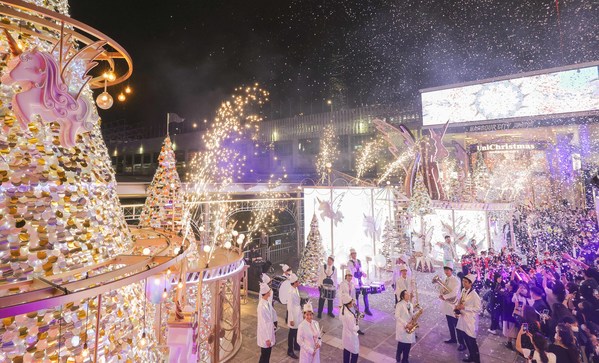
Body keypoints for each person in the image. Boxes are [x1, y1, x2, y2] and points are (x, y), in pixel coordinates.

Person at [455, 273, 482, 363]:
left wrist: (465, 308)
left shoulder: (475, 295)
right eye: (463, 281)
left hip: (471, 321)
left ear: (471, 284)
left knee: (472, 341)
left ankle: (477, 360)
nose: (464, 283)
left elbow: (478, 309)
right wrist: (457, 308)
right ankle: (471, 357)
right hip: (463, 319)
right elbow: (461, 301)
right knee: (466, 339)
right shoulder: (463, 290)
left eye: (466, 282)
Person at [439, 264, 463, 348]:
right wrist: (440, 293)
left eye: (447, 270)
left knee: (457, 325)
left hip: (453, 305)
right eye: (445, 270)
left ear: (451, 271)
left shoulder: (456, 280)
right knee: (449, 323)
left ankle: (461, 343)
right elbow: (443, 289)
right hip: (446, 305)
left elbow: (454, 293)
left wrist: (444, 297)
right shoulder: (445, 279)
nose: (446, 272)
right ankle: (453, 338)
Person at [339, 269, 364, 335]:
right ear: (346, 276)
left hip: (352, 303)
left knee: (355, 316)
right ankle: (348, 329)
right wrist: (340, 304)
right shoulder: (342, 284)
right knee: (347, 317)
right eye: (348, 276)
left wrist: (354, 302)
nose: (350, 277)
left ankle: (357, 328)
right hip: (346, 303)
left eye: (351, 276)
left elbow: (353, 294)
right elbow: (340, 294)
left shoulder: (352, 284)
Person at [348, 248, 372, 315]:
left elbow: (360, 269)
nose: (354, 255)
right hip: (355, 281)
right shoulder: (349, 262)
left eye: (355, 253)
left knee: (365, 294)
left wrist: (363, 273)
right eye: (353, 254)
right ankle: (357, 310)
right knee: (356, 297)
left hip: (361, 281)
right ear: (351, 255)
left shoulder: (358, 261)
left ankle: (367, 309)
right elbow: (351, 272)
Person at [395, 290, 416, 363]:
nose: (408, 295)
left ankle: (405, 359)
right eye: (406, 294)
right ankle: (398, 356)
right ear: (402, 296)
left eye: (408, 294)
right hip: (402, 327)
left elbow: (411, 314)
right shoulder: (399, 304)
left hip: (410, 326)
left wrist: (415, 316)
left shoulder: (410, 304)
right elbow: (397, 316)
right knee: (402, 344)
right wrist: (406, 324)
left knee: (408, 344)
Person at [257, 282, 276, 363]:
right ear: (266, 293)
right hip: (265, 334)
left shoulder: (267, 302)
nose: (270, 292)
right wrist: (267, 338)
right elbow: (262, 324)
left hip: (269, 330)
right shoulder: (261, 306)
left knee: (267, 355)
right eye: (269, 291)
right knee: (264, 355)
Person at [339, 294, 360, 363]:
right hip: (351, 336)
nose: (353, 303)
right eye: (351, 302)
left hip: (345, 334)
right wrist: (357, 325)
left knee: (346, 350)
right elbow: (353, 328)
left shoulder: (342, 309)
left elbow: (340, 319)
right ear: (348, 304)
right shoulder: (349, 316)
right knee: (355, 352)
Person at [287, 273, 302, 359]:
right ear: (294, 282)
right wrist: (291, 319)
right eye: (297, 281)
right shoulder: (291, 292)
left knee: (296, 331)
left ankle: (296, 345)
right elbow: (289, 306)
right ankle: (290, 350)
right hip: (293, 314)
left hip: (297, 313)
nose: (298, 283)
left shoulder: (295, 289)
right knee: (292, 333)